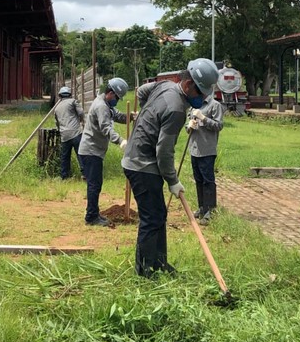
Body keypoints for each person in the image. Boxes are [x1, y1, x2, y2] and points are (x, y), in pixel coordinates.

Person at [121, 58, 219, 277]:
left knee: (158, 215)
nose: (203, 98)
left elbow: (142, 91)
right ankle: (145, 271)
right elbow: (164, 152)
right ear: (187, 85)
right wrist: (173, 181)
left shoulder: (164, 84)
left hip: (142, 161)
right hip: (142, 165)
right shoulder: (175, 110)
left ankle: (159, 262)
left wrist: (147, 116)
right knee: (152, 218)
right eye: (200, 93)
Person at [78, 77, 129, 227]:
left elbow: (117, 115)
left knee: (95, 184)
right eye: (117, 98)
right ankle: (91, 217)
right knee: (94, 185)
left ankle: (93, 213)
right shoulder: (101, 106)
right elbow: (106, 128)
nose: (117, 101)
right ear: (111, 93)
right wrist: (120, 140)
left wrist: (131, 117)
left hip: (93, 151)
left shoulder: (106, 104)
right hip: (90, 151)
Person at [186, 90, 224, 224]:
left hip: (207, 150)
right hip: (194, 149)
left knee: (208, 181)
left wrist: (203, 118)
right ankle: (202, 207)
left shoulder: (215, 105)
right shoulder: (193, 105)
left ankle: (210, 211)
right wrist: (189, 126)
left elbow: (219, 125)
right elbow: (188, 125)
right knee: (198, 180)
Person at [52, 85, 84, 179]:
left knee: (65, 157)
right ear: (69, 94)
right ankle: (85, 174)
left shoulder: (57, 108)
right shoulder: (73, 101)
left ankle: (64, 176)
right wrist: (81, 121)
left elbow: (57, 123)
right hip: (76, 133)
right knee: (80, 154)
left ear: (60, 96)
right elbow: (81, 113)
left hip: (64, 136)